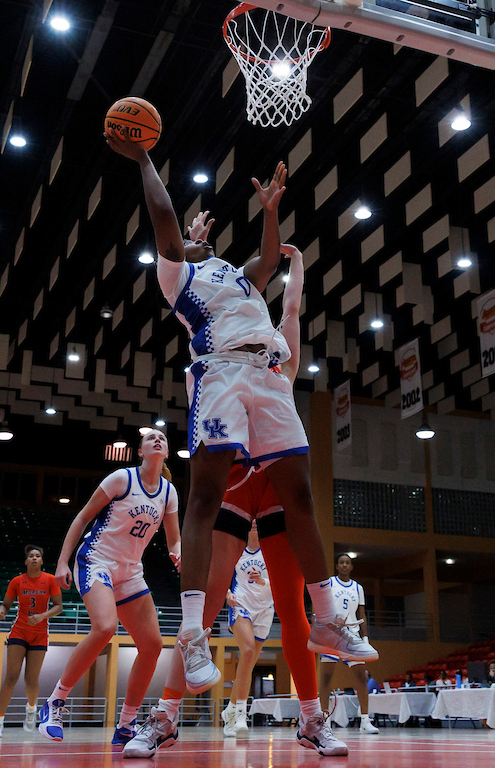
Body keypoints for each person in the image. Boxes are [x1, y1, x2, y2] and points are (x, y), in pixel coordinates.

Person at [105, 128, 376, 697]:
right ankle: (193, 636)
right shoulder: (180, 278)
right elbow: (165, 221)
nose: (199, 240)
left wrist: (271, 212)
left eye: (202, 239)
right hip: (221, 373)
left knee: (301, 495)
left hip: (269, 376)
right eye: (192, 240)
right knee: (204, 498)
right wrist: (145, 157)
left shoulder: (237, 278)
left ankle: (328, 616)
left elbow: (269, 258)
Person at [122, 238, 348, 759]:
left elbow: (292, 307)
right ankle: (165, 716)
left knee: (293, 608)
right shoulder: (227, 364)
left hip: (273, 491)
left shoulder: (280, 367)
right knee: (209, 598)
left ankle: (313, 718)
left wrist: (299, 265)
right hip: (236, 483)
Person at [35, 431, 179, 745]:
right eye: (151, 438)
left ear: (167, 452)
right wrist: (62, 562)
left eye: (162, 438)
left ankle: (126, 724)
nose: (157, 440)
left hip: (130, 571)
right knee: (105, 627)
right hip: (96, 559)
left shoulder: (169, 493)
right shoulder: (121, 479)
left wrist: (178, 553)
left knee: (153, 645)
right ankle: (54, 703)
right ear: (140, 450)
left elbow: (174, 539)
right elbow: (83, 517)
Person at [0, 545, 62, 739]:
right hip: (19, 630)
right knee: (11, 677)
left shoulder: (49, 580)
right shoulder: (17, 581)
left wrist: (42, 616)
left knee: (31, 680)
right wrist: (2, 611)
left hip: (40, 632)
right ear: (26, 561)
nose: (34, 558)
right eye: (31, 556)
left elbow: (58, 606)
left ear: (42, 561)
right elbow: (6, 603)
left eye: (38, 556)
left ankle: (31, 709)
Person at [318, 554, 379, 734]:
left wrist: (365, 638)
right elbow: (321, 606)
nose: (344, 565)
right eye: (341, 563)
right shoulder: (329, 583)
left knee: (361, 677)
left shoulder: (358, 588)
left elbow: (362, 615)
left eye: (347, 563)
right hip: (331, 634)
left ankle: (365, 720)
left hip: (352, 635)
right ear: (337, 566)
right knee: (326, 678)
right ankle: (324, 719)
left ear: (351, 567)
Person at [221, 527, 272, 737]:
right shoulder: (236, 550)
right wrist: (227, 594)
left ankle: (229, 711)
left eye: (257, 520)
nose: (253, 523)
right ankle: (241, 713)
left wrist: (262, 581)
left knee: (248, 664)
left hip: (266, 609)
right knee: (248, 651)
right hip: (241, 605)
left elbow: (283, 582)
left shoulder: (271, 551)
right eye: (250, 519)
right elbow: (222, 575)